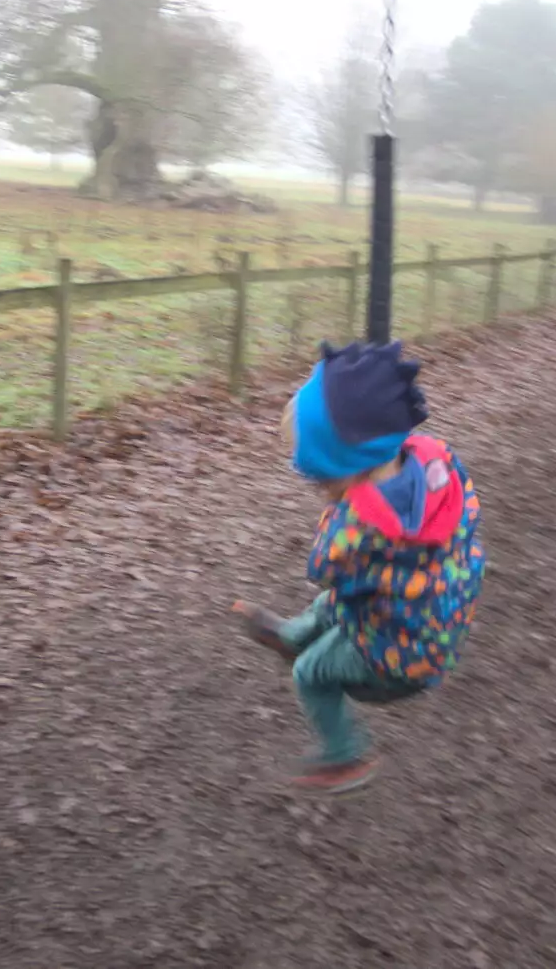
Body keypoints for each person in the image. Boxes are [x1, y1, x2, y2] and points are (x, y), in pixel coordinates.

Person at [234, 340, 485, 794]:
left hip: (403, 658)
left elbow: (323, 566)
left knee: (310, 671)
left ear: (342, 467)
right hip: (440, 612)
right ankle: (291, 634)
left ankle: (346, 755)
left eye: (319, 479)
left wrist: (341, 513)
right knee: (334, 600)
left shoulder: (357, 527)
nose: (319, 489)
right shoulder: (437, 462)